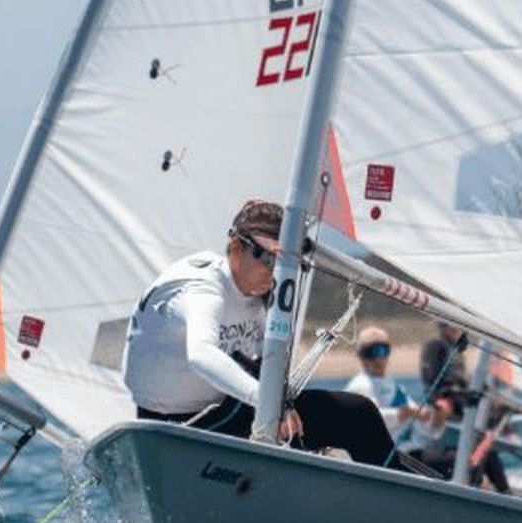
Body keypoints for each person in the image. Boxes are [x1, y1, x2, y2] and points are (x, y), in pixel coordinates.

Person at [122, 199, 395, 466]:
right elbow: (201, 354)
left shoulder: (259, 295)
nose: (278, 272)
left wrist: (276, 403)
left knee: (358, 414)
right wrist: (266, 403)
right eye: (270, 259)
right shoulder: (203, 290)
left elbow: (266, 360)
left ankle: (415, 496)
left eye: (287, 263)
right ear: (236, 247)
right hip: (175, 430)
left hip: (228, 415)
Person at [407, 322, 509, 491]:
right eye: (451, 327)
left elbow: (464, 383)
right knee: (479, 454)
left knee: (487, 448)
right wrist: (442, 402)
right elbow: (432, 384)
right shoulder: (436, 346)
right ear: (443, 328)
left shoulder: (457, 349)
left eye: (458, 327)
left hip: (462, 409)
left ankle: (502, 492)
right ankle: (494, 490)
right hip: (446, 413)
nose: (455, 330)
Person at [344, 325, 415, 438]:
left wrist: (433, 418)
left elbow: (417, 413)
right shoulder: (360, 385)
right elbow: (371, 418)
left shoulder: (396, 386)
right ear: (362, 356)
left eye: (383, 351)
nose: (378, 359)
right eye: (371, 353)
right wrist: (400, 414)